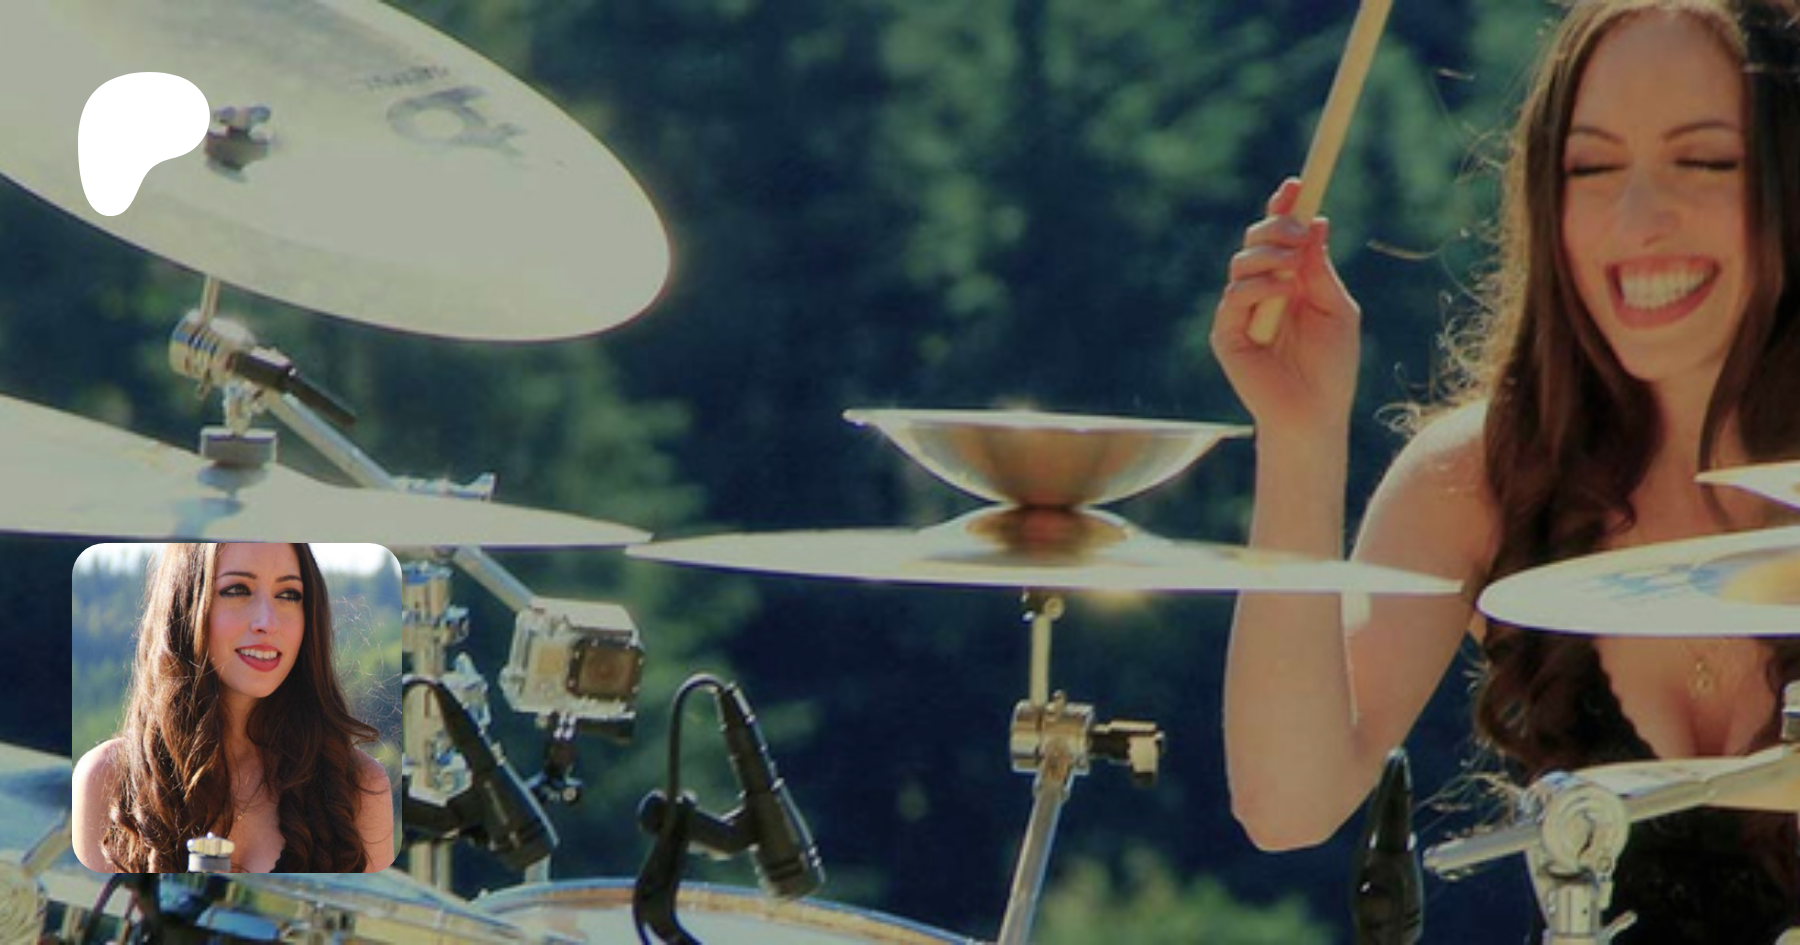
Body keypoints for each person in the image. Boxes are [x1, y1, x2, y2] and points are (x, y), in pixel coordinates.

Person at [1210, 0, 1800, 938]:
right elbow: (1287, 802)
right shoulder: (1479, 479)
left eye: (1704, 161)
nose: (1639, 219)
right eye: (1591, 168)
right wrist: (1299, 432)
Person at [72, 543, 394, 872]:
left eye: (288, 595)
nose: (268, 622)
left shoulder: (358, 788)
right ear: (185, 605)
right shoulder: (107, 779)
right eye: (238, 590)